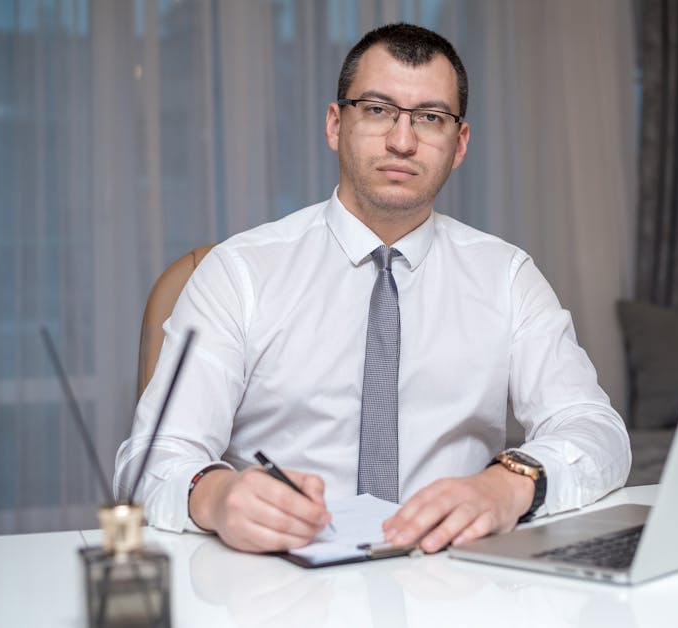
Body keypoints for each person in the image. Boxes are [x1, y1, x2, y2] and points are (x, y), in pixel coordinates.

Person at [114, 22, 630, 555]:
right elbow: (150, 458)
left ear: (459, 144)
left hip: (454, 575)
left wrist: (508, 484)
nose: (402, 142)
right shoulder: (237, 273)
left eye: (431, 118)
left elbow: (596, 430)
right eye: (378, 110)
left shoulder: (507, 276)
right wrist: (216, 496)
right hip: (277, 577)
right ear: (336, 124)